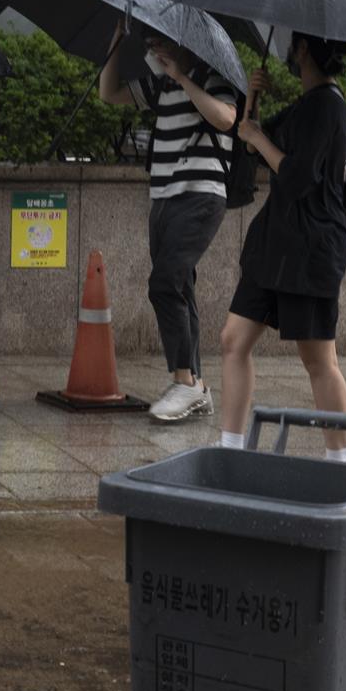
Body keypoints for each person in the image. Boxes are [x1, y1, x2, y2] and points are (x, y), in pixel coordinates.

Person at [217, 33, 346, 461]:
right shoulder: (309, 101)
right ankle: (231, 448)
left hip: (309, 251)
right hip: (276, 246)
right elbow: (254, 137)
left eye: (295, 44)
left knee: (318, 360)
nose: (289, 53)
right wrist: (254, 102)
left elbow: (295, 175)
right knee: (233, 339)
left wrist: (257, 137)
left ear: (303, 50)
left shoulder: (327, 104)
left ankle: (339, 461)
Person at [99, 24, 244, 422]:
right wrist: (115, 49)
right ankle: (196, 384)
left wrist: (181, 76)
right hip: (163, 197)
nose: (156, 46)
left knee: (163, 284)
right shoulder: (159, 85)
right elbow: (109, 94)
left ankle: (184, 381)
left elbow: (227, 118)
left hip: (201, 194)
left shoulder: (212, 76)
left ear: (188, 43)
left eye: (164, 40)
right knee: (180, 286)